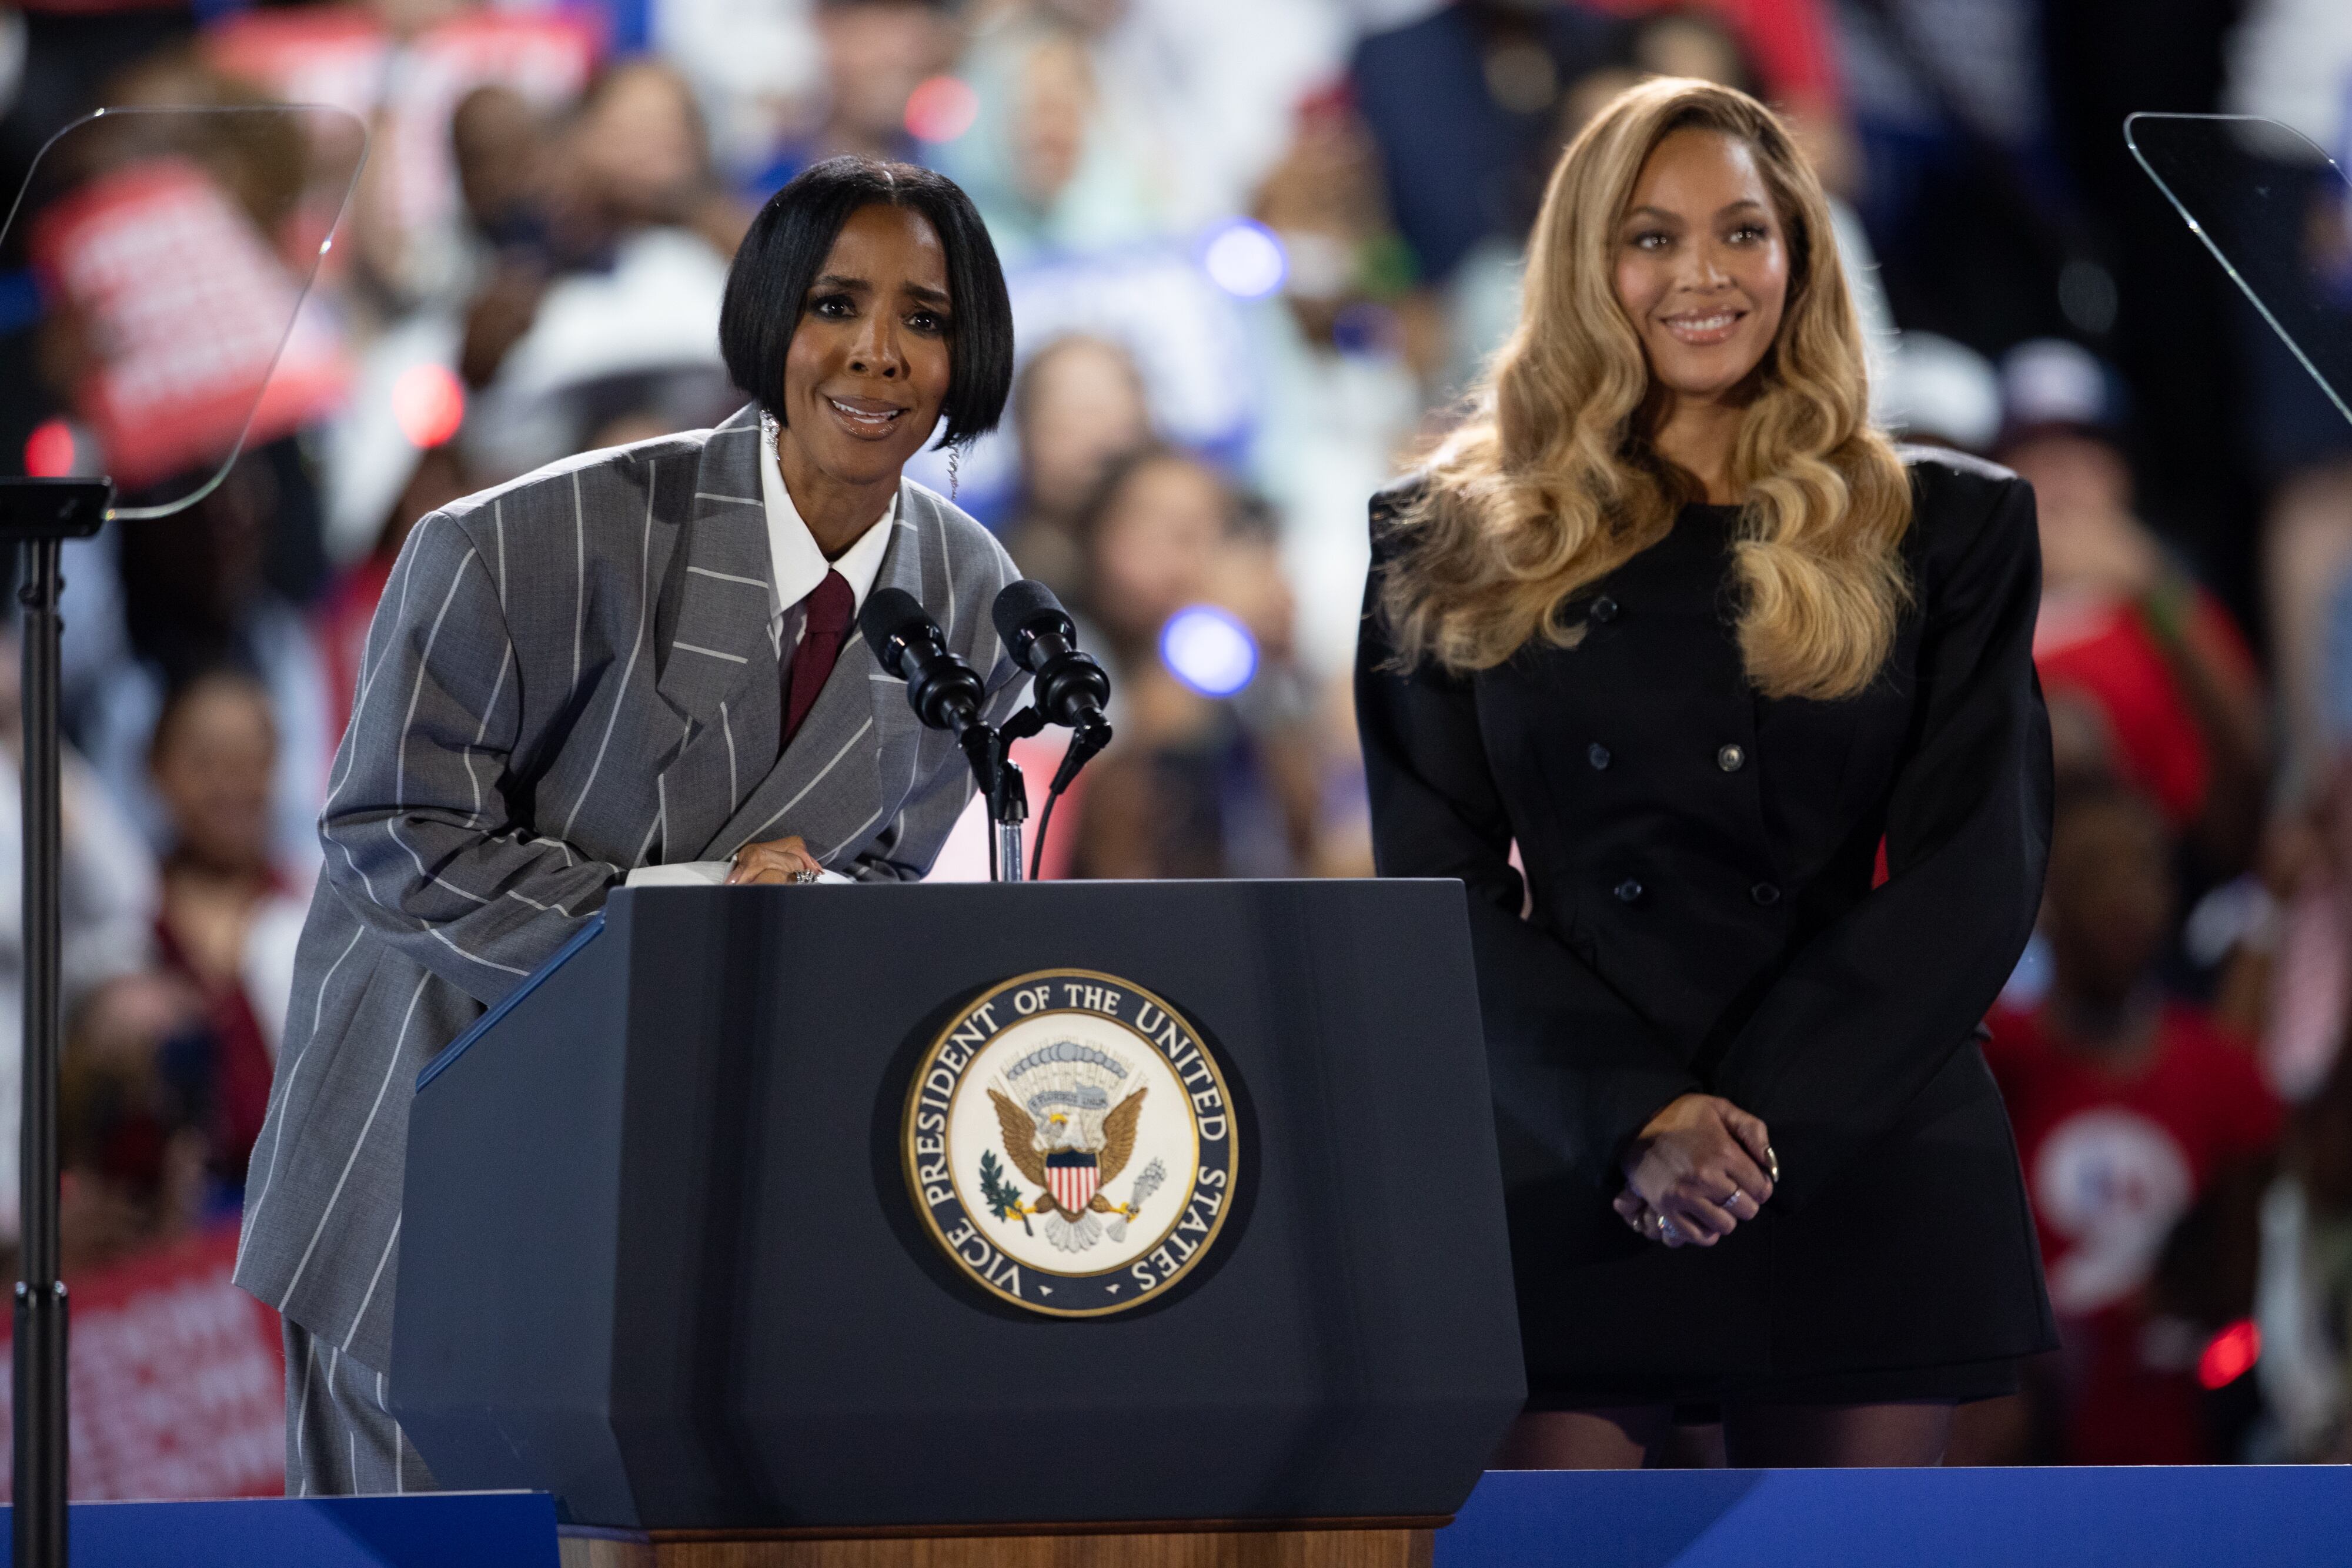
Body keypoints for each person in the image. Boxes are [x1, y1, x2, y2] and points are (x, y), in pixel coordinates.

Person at [234, 156, 1025, 1495]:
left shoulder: (973, 596)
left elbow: (885, 874)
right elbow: (389, 832)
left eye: (927, 319)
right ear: (767, 319)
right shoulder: (523, 544)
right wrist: (692, 917)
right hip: (444, 1162)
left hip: (692, 1200)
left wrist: (820, 913)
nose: (879, 354)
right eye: (836, 305)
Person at [1355, 78, 2055, 1466]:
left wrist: (1763, 1127)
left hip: (1858, 1137)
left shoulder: (1943, 526)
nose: (1702, 275)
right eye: (1650, 237)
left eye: (1742, 231)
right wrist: (1636, 1116)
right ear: (1584, 265)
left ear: (1799, 255)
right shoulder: (1445, 536)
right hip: (1575, 1140)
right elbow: (1430, 887)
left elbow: (1976, 865)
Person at [1984, 784, 2282, 1463]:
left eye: (2144, 870)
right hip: (2022, 1444)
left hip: (2186, 1447)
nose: (2125, 898)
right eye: (2096, 872)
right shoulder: (1996, 1064)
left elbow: (2247, 1289)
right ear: (2045, 900)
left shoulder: (2224, 1076)